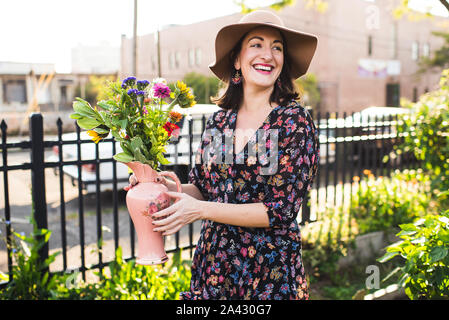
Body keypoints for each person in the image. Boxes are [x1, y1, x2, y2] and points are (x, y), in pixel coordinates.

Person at [127, 10, 320, 300]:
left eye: (277, 47)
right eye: (256, 44)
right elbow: (203, 189)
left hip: (269, 275)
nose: (268, 54)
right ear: (237, 59)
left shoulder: (294, 121)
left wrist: (202, 210)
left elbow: (280, 210)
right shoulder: (220, 121)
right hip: (214, 271)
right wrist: (158, 186)